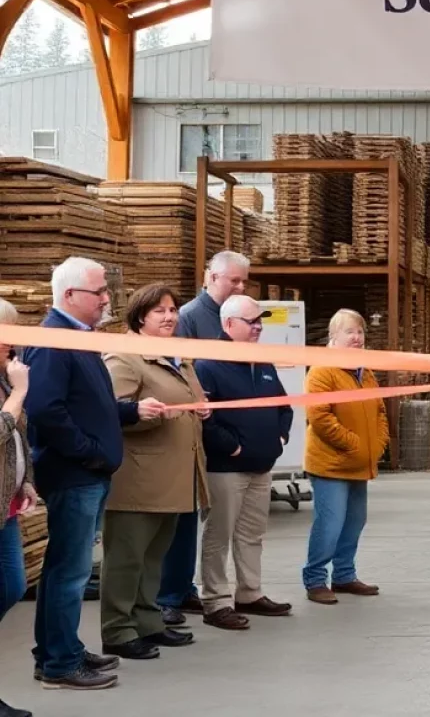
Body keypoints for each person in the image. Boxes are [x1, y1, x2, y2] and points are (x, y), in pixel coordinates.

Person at [24, 257, 164, 690]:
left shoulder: (77, 339)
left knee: (64, 568)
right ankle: (60, 664)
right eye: (99, 292)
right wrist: (89, 453)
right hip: (75, 474)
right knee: (70, 571)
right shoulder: (52, 341)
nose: (107, 299)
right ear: (69, 296)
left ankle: (57, 648)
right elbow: (45, 409)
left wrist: (128, 410)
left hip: (85, 471)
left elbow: (87, 402)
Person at [99, 284, 210, 660]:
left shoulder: (178, 356)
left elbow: (186, 400)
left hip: (174, 474)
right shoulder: (125, 357)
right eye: (159, 311)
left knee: (153, 557)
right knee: (127, 557)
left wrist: (200, 408)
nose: (169, 316)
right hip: (139, 477)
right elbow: (110, 413)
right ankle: (117, 630)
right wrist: (145, 414)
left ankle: (147, 622)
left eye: (173, 309)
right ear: (140, 316)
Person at [160, 250, 250, 624]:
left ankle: (183, 589)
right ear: (211, 277)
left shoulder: (227, 318)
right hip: (197, 433)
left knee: (191, 516)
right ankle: (168, 595)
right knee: (179, 519)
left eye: (244, 281)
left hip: (215, 433)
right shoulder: (190, 320)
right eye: (234, 281)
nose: (240, 286)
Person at [196, 295, 293, 630]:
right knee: (219, 535)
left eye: (260, 321)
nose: (258, 327)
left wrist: (280, 437)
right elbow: (204, 418)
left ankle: (250, 592)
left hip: (262, 465)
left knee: (252, 534)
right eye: (251, 322)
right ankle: (216, 601)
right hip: (227, 469)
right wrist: (232, 447)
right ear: (228, 325)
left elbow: (284, 404)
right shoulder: (208, 365)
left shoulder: (261, 362)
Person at [302, 309, 388, 604]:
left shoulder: (365, 372)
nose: (357, 337)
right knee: (330, 522)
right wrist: (352, 443)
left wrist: (377, 443)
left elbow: (379, 411)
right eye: (350, 332)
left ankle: (344, 575)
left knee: (354, 521)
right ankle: (315, 580)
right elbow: (319, 415)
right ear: (333, 337)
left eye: (360, 332)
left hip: (359, 462)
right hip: (332, 463)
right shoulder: (323, 370)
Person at [0, 298, 37, 717]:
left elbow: (18, 436)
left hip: (6, 504)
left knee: (12, 585)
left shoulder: (5, 376)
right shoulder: (14, 382)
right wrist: (21, 392)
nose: (12, 345)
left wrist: (24, 481)